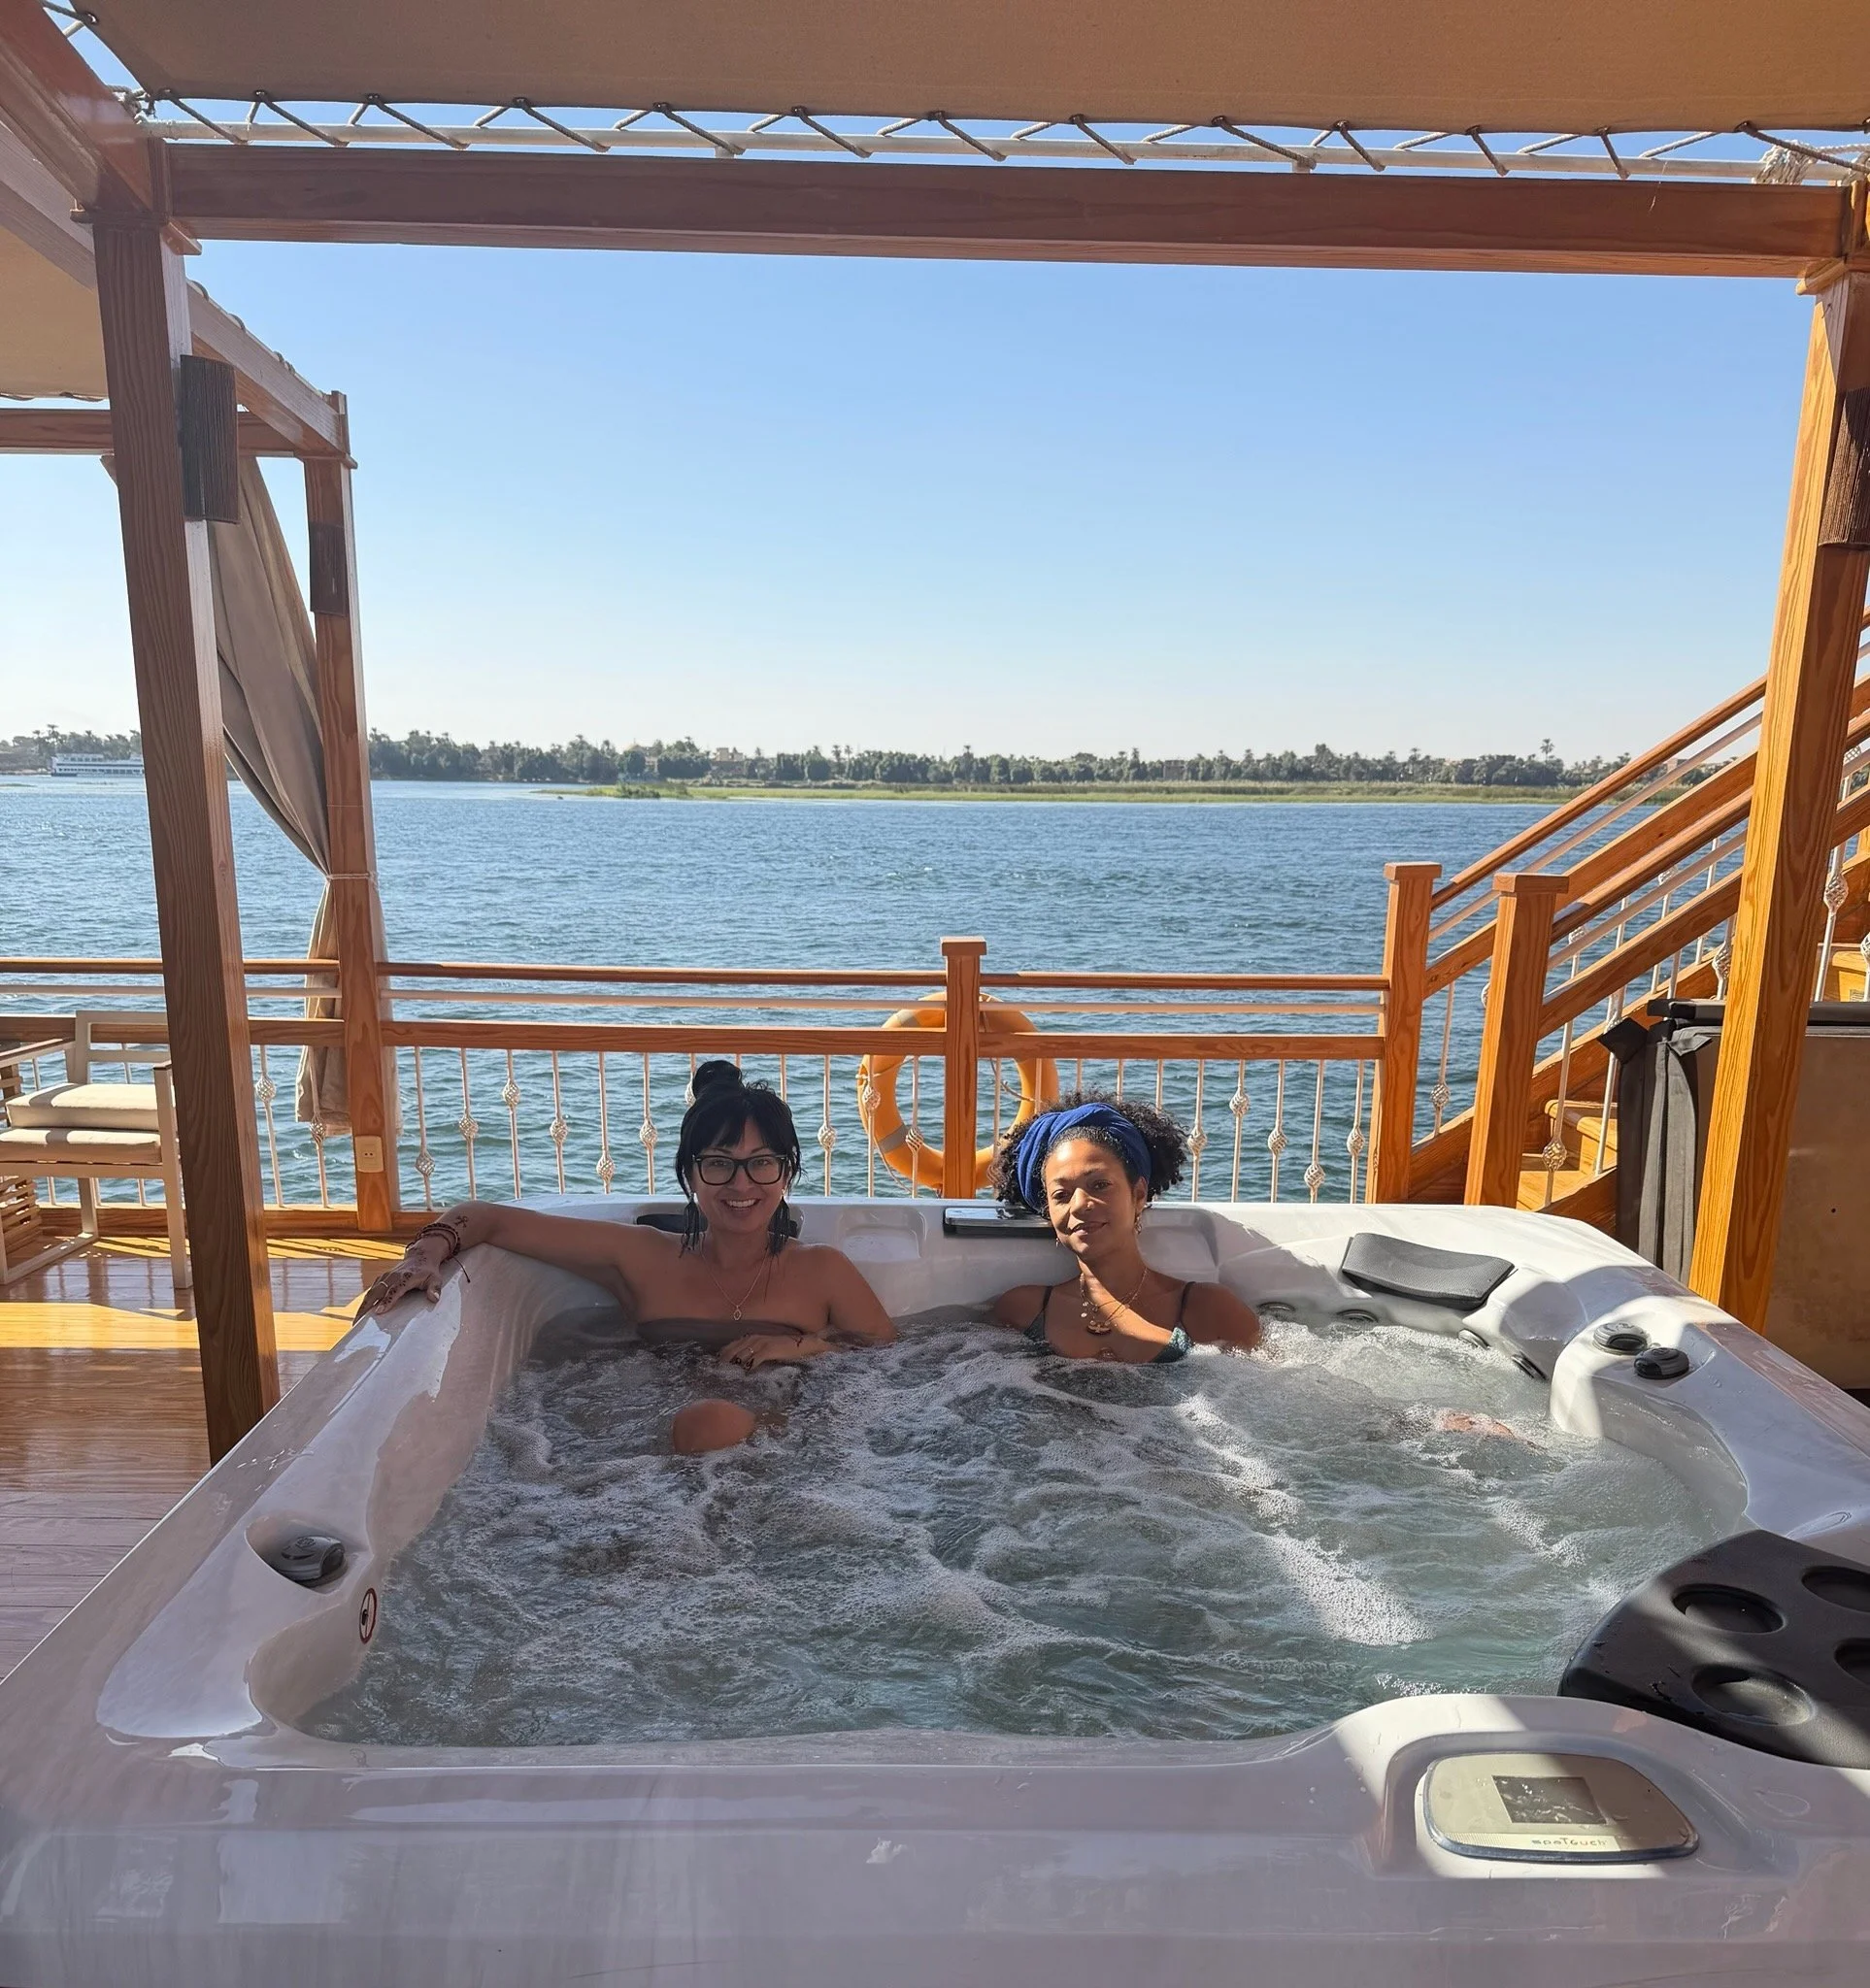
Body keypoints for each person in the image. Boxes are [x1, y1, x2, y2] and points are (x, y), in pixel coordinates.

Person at [357, 1062, 895, 1443]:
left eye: (762, 1163)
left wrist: (802, 1349)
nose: (741, 1183)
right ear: (689, 1174)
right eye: (718, 1163)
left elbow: (901, 1366)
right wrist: (424, 1256)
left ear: (787, 1172)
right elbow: (488, 1218)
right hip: (648, 1456)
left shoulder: (822, 1269)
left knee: (712, 1422)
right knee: (707, 1423)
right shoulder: (640, 1257)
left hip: (796, 1447)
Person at [987, 1095, 1261, 1363]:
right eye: (1061, 1195)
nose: (1080, 1205)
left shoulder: (1207, 1309)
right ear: (1049, 1211)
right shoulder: (1022, 1311)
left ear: (1139, 1194)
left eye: (1100, 1185)